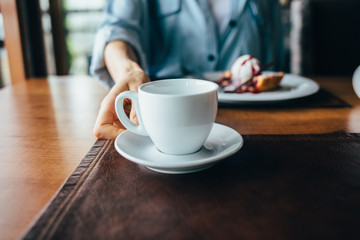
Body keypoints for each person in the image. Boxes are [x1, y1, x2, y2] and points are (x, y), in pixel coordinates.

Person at [90, 0, 284, 140]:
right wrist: (129, 71)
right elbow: (116, 29)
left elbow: (275, 58)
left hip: (254, 120)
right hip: (166, 118)